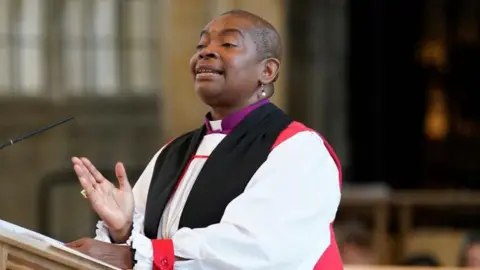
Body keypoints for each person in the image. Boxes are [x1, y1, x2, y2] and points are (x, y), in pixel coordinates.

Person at [67, 9, 343, 270]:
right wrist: (123, 231)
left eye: (229, 44)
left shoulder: (298, 150)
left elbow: (258, 249)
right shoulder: (173, 151)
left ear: (267, 71)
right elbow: (141, 249)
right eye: (201, 47)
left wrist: (136, 255)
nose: (206, 52)